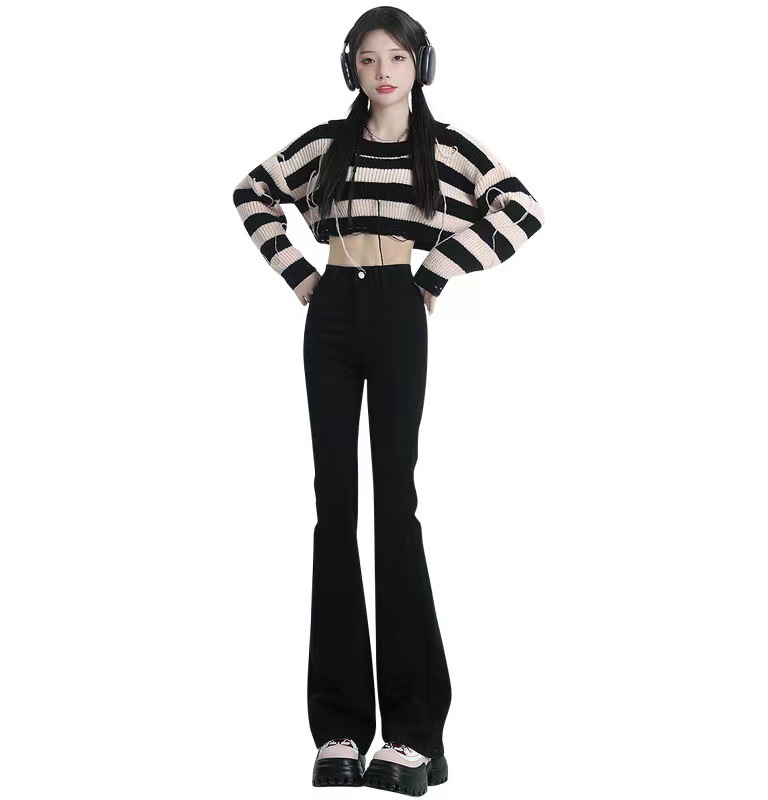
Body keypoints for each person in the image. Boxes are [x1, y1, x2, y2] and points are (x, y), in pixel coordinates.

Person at [232, 7, 545, 795]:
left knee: (394, 505)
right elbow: (252, 190)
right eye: (368, 59)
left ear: (420, 65)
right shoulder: (325, 144)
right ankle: (339, 726)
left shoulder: (445, 149)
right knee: (333, 506)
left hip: (401, 309)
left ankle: (414, 732)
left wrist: (437, 271)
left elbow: (523, 209)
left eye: (397, 57)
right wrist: (297, 273)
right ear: (352, 68)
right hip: (333, 311)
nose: (383, 72)